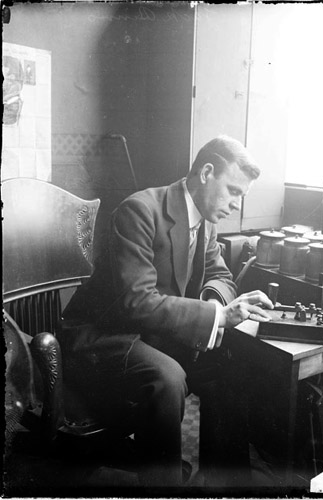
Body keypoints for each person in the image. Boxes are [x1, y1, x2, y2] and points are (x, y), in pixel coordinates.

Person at [58, 135, 273, 488]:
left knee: (233, 361)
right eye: (233, 191)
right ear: (206, 172)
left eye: (242, 196)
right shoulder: (139, 210)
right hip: (101, 336)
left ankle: (225, 485)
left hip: (151, 333)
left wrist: (217, 305)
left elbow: (220, 275)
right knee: (167, 378)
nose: (236, 204)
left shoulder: (206, 220)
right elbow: (137, 301)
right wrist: (219, 317)